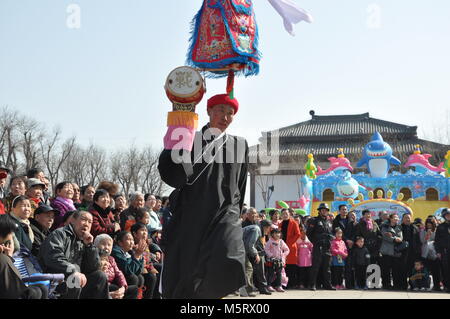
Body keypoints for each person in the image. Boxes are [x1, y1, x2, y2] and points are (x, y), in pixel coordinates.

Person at [158, 92, 248, 299]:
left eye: (230, 113)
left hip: (226, 214)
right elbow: (170, 171)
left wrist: (237, 212)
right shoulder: (190, 138)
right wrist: (177, 135)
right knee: (189, 271)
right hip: (193, 213)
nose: (225, 117)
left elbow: (241, 183)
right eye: (220, 111)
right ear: (208, 112)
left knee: (228, 257)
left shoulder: (240, 144)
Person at [38, 210, 109, 299]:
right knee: (75, 280)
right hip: (56, 279)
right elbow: (53, 257)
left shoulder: (83, 240)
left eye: (90, 222)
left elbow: (93, 268)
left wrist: (89, 246)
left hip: (75, 280)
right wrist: (73, 271)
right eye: (83, 219)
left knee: (100, 276)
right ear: (73, 221)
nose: (86, 224)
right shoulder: (60, 234)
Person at [0, 215, 48, 299]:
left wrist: (9, 257)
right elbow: (13, 290)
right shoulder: (3, 259)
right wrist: (8, 258)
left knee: (41, 288)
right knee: (37, 291)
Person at [94, 234, 139, 299]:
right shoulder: (93, 257)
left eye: (109, 245)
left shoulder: (111, 259)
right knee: (114, 288)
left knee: (134, 289)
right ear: (96, 245)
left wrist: (123, 287)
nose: (106, 247)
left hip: (112, 285)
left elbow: (118, 273)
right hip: (100, 287)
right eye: (103, 244)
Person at [111, 231, 150, 298]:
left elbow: (138, 271)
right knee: (133, 278)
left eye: (132, 239)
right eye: (128, 239)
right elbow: (129, 271)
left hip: (127, 276)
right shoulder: (115, 251)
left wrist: (139, 256)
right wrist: (137, 255)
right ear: (120, 242)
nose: (132, 242)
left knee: (144, 277)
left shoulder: (129, 252)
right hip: (116, 280)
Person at [307, 203, 335, 290]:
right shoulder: (314, 220)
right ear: (319, 211)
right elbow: (309, 234)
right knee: (315, 267)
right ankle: (312, 285)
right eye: (322, 210)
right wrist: (316, 241)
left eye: (326, 210)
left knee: (327, 268)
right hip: (318, 246)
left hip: (327, 247)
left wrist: (331, 238)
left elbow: (331, 233)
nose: (324, 211)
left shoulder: (329, 221)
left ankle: (328, 285)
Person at [242, 219, 272, 295]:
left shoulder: (257, 228)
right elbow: (249, 245)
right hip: (240, 249)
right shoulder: (256, 229)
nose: (269, 231)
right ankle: (247, 291)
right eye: (269, 228)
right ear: (266, 227)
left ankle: (259, 288)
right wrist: (256, 254)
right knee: (248, 269)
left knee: (249, 268)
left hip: (242, 248)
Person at [130, 223, 159, 299]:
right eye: (142, 230)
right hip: (136, 270)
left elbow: (148, 261)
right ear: (134, 233)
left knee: (158, 272)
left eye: (146, 231)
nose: (145, 233)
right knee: (151, 277)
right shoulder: (131, 245)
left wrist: (151, 269)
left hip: (145, 268)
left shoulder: (145, 245)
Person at [379, 213, 403, 290]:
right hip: (386, 251)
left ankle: (396, 285)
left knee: (396, 270)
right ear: (391, 219)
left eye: (397, 217)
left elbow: (400, 237)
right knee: (386, 270)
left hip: (396, 252)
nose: (396, 219)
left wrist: (394, 237)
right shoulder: (385, 226)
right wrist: (394, 239)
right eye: (395, 217)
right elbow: (385, 236)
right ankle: (386, 284)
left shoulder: (399, 227)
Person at [280, 208, 301, 289]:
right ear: (281, 215)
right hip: (282, 247)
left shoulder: (294, 222)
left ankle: (292, 283)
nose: (285, 215)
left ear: (289, 214)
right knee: (284, 266)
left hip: (291, 247)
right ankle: (284, 283)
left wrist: (290, 242)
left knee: (291, 266)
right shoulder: (280, 224)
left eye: (286, 213)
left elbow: (298, 234)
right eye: (283, 214)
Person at [400, 213, 421, 290]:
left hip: (413, 252)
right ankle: (403, 285)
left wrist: (418, 251)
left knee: (412, 269)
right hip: (403, 252)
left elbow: (418, 241)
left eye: (409, 218)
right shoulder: (399, 227)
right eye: (406, 218)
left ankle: (413, 285)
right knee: (403, 269)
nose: (407, 219)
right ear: (402, 219)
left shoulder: (415, 228)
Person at [264, 228, 289, 292]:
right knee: (270, 273)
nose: (277, 234)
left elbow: (287, 249)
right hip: (271, 260)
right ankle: (269, 285)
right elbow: (266, 249)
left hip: (279, 261)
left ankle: (279, 286)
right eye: (275, 233)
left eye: (278, 233)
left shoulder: (281, 241)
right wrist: (271, 255)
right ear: (272, 234)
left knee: (279, 274)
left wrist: (283, 256)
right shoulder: (270, 241)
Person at [420, 217, 441, 291]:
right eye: (427, 225)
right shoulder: (423, 231)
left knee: (436, 271)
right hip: (425, 254)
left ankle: (437, 286)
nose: (429, 226)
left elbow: (438, 240)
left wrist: (432, 234)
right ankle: (425, 286)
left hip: (435, 253)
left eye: (430, 225)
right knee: (425, 271)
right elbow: (422, 241)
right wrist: (427, 235)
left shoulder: (437, 230)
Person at [434, 208, 450, 292]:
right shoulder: (440, 226)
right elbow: (436, 241)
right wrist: (438, 251)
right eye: (447, 215)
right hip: (444, 251)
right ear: (444, 216)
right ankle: (447, 286)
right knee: (445, 269)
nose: (449, 216)